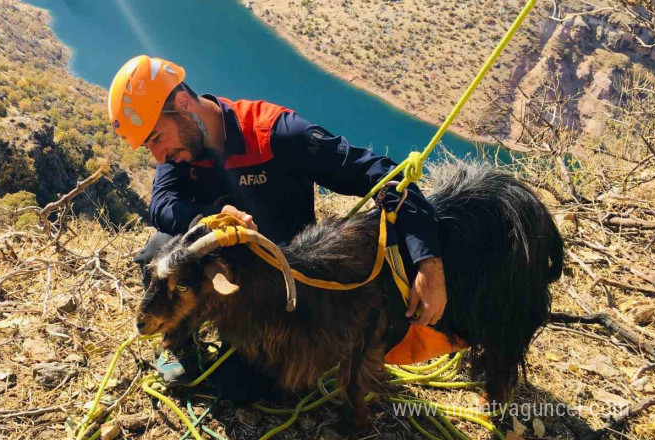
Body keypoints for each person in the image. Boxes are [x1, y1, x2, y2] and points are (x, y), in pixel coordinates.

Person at [107, 55, 447, 398]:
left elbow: (387, 178)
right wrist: (211, 216)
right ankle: (179, 342)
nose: (158, 155)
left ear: (183, 105)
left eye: (155, 138)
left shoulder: (277, 133)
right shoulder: (180, 149)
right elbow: (162, 205)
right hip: (221, 279)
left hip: (283, 281)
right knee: (158, 251)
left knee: (246, 386)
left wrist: (428, 261)